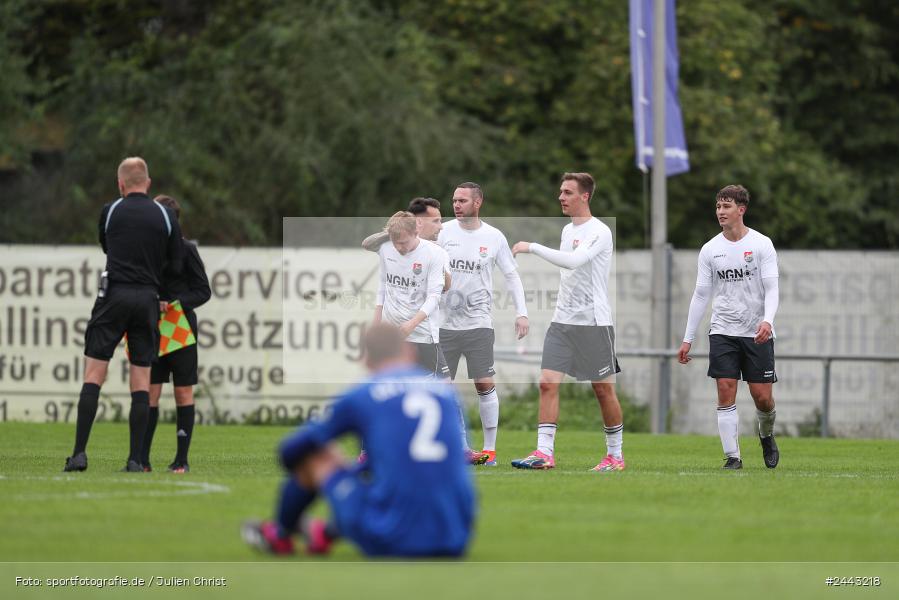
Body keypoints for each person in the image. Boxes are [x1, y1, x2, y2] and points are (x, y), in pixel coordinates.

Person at [241, 323, 476, 558]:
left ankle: (280, 534)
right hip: (456, 538)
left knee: (320, 457)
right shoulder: (445, 394)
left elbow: (289, 450)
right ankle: (324, 534)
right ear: (411, 352)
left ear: (366, 360)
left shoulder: (363, 395)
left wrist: (339, 470)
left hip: (393, 540)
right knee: (399, 474)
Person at [64, 157, 183, 473]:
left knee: (94, 374)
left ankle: (79, 454)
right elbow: (176, 262)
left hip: (113, 294)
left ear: (120, 184)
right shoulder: (166, 215)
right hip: (147, 298)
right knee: (141, 378)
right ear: (148, 182)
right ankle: (134, 460)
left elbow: (107, 247)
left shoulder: (111, 210)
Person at [509, 172, 624, 472]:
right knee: (547, 383)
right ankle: (544, 453)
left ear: (584, 196)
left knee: (603, 390)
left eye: (568, 192)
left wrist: (532, 246)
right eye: (561, 191)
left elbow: (573, 261)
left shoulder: (600, 231)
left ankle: (615, 456)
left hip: (594, 323)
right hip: (562, 322)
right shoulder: (567, 230)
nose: (561, 197)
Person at [677, 184, 780, 470]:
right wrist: (687, 338)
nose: (720, 212)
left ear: (741, 209)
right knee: (725, 388)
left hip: (756, 332)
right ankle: (733, 456)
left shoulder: (761, 244)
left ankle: (766, 435)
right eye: (718, 206)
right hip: (722, 329)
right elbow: (701, 295)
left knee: (763, 398)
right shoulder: (710, 249)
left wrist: (767, 320)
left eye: (726, 206)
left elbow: (772, 289)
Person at [436, 182, 529, 466]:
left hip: (478, 324)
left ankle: (490, 451)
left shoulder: (494, 236)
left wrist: (522, 312)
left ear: (478, 203)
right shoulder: (443, 232)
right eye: (454, 200)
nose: (456, 204)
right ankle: (459, 448)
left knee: (484, 383)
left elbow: (511, 275)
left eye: (462, 200)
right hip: (443, 325)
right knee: (442, 387)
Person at [139, 195, 211, 473]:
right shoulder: (147, 251)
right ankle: (141, 460)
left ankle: (181, 460)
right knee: (150, 392)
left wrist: (175, 303)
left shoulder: (187, 250)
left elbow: (203, 291)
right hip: (152, 326)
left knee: (183, 392)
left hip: (179, 327)